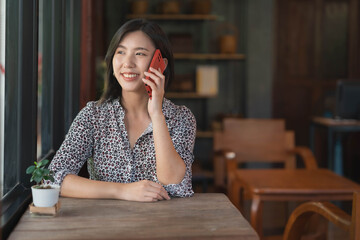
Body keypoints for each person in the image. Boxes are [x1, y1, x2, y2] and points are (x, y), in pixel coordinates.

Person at [49, 19, 196, 202]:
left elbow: (175, 182)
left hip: (164, 225)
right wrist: (122, 191)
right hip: (106, 226)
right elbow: (53, 177)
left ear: (160, 64)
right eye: (121, 52)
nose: (127, 63)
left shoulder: (181, 118)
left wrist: (157, 114)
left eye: (140, 54)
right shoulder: (93, 116)